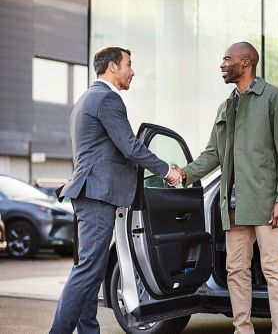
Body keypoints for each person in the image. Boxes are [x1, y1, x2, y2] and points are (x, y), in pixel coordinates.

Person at [50, 46, 182, 333]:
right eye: (128, 65)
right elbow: (129, 146)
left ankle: (88, 330)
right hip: (97, 195)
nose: (132, 71)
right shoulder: (107, 99)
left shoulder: (87, 98)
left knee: (92, 269)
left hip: (91, 194)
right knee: (87, 270)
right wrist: (166, 170)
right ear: (112, 67)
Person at [174, 42, 278, 334]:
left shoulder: (273, 99)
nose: (222, 64)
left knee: (273, 270)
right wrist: (183, 174)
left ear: (246, 62)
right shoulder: (226, 106)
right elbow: (213, 154)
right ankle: (243, 330)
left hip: (267, 204)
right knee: (236, 271)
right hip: (233, 206)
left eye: (227, 59)